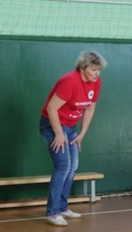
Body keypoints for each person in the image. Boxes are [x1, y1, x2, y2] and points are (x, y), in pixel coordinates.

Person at [39, 51, 107, 226]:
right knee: (63, 166)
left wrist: (82, 134)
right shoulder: (70, 81)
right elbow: (51, 108)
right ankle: (52, 213)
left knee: (73, 167)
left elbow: (90, 109)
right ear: (83, 68)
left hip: (70, 127)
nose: (97, 73)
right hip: (52, 124)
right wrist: (59, 134)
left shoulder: (96, 82)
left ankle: (62, 207)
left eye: (99, 70)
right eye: (93, 70)